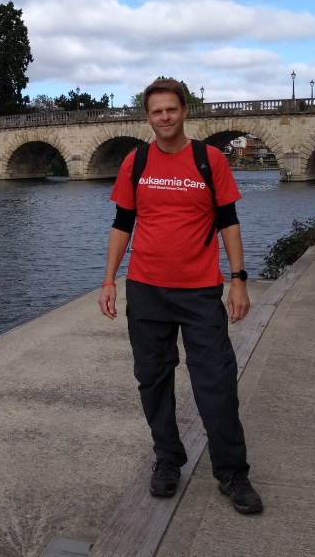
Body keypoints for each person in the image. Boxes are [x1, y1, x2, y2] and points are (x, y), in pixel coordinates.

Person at [98, 78, 263, 515]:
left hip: (200, 290)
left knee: (216, 381)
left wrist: (239, 279)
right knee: (153, 379)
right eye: (156, 111)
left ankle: (232, 472)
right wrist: (109, 280)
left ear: (185, 111)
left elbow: (228, 220)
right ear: (148, 117)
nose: (164, 117)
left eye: (171, 109)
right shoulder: (135, 162)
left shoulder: (209, 160)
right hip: (147, 289)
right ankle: (168, 458)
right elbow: (122, 223)